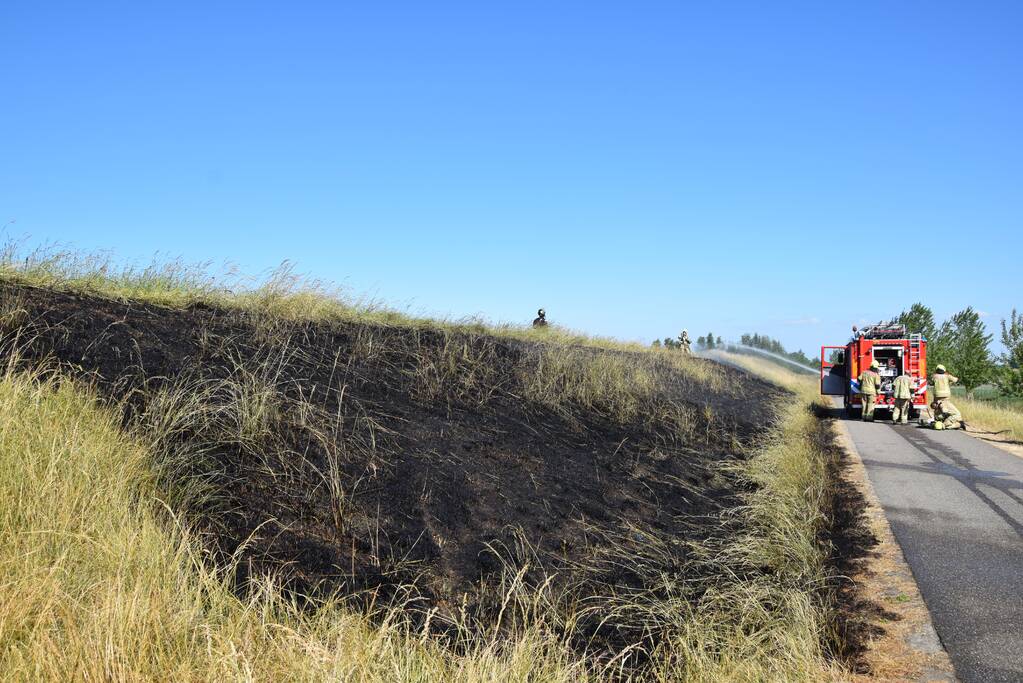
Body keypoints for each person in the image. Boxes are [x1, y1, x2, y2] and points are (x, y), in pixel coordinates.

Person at [930, 364, 963, 429]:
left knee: (939, 411)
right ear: (944, 370)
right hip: (945, 397)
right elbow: (956, 380)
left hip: (937, 397)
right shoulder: (947, 376)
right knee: (955, 413)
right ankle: (945, 424)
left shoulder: (934, 376)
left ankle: (938, 420)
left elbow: (932, 382)